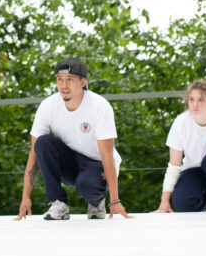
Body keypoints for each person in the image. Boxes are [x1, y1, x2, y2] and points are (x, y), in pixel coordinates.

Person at [14, 57, 131, 220]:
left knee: (87, 185)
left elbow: (107, 155)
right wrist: (25, 197)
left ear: (82, 82)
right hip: (69, 161)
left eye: (70, 79)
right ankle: (58, 204)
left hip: (96, 165)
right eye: (59, 80)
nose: (64, 85)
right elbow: (33, 156)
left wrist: (115, 200)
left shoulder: (99, 106)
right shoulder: (48, 106)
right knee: (42, 143)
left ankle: (96, 203)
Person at [152, 80, 206, 213]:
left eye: (201, 100)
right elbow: (174, 165)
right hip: (194, 170)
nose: (195, 104)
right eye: (192, 99)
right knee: (181, 203)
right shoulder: (180, 123)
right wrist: (164, 201)